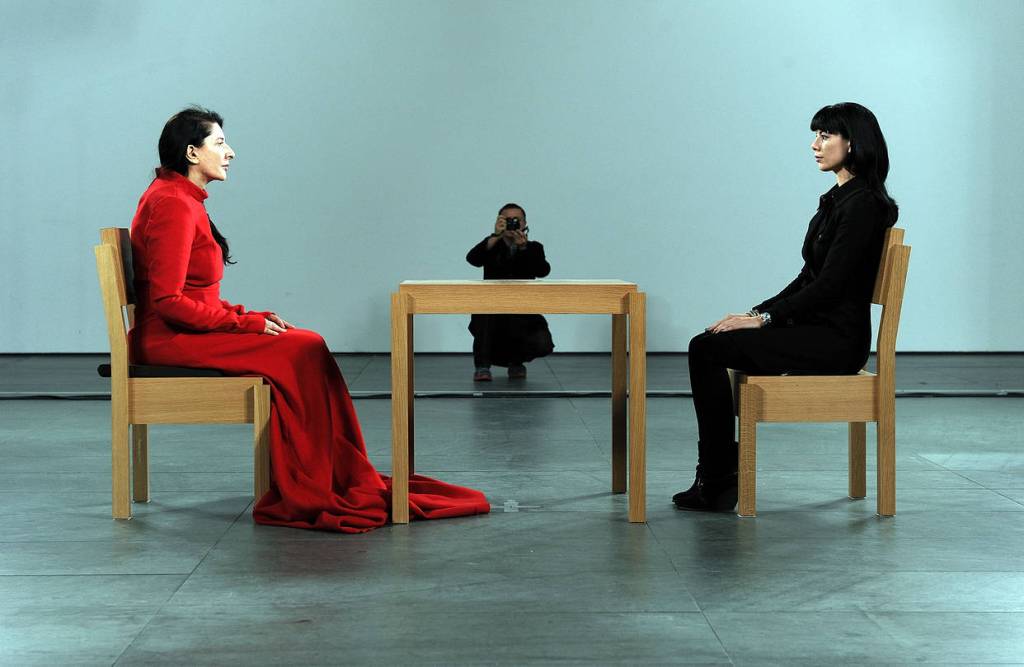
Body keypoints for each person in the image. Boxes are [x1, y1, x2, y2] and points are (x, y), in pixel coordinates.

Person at [128, 106, 490, 532]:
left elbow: (194, 293)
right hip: (170, 338)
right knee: (303, 347)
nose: (231, 152)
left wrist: (248, 315)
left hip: (183, 331)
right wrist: (245, 325)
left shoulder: (180, 199)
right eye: (220, 142)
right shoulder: (172, 204)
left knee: (304, 341)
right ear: (192, 152)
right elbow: (169, 302)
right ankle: (320, 479)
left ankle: (331, 470)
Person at [674, 102, 899, 512]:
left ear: (852, 143)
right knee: (710, 341)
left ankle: (718, 479)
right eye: (815, 136)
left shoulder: (863, 205)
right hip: (817, 330)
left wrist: (765, 320)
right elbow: (808, 276)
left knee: (705, 349)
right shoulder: (839, 200)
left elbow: (830, 286)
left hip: (836, 340)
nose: (815, 145)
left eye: (825, 136)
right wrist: (756, 313)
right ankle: (718, 476)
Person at [466, 203, 554, 381]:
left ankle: (516, 362)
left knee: (542, 342)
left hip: (523, 309)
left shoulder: (534, 247)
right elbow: (473, 259)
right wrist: (495, 236)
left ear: (524, 223)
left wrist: (523, 248)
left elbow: (543, 271)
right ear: (499, 222)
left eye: (516, 220)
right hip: (491, 310)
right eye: (507, 220)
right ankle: (482, 366)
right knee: (485, 316)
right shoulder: (492, 245)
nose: (512, 223)